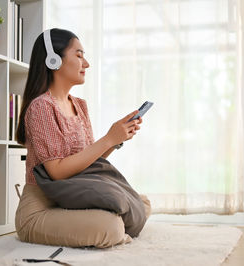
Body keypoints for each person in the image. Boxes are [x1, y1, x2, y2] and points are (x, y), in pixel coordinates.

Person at [14, 28, 151, 248]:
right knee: (111, 226)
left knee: (141, 204)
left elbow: (89, 161)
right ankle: (108, 229)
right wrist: (107, 139)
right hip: (42, 208)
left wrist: (115, 139)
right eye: (78, 55)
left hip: (72, 195)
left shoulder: (79, 105)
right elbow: (57, 172)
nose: (86, 63)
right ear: (53, 60)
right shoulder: (41, 107)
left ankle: (96, 223)